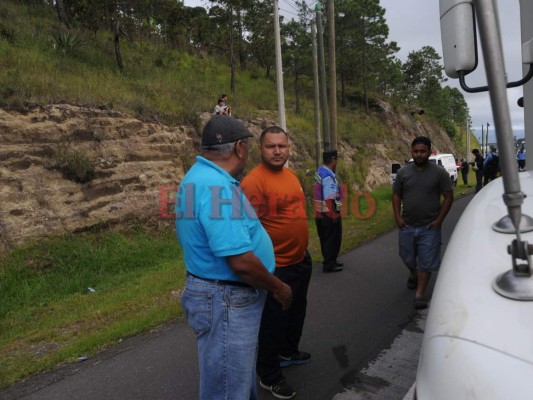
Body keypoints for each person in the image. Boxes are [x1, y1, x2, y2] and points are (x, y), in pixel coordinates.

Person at [175, 116, 293, 400]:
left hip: (216, 292)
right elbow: (240, 261)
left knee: (233, 381)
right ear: (240, 147)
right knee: (228, 390)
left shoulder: (196, 177)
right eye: (249, 147)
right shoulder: (218, 188)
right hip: (227, 299)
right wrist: (279, 287)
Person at [241, 126, 312, 400]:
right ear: (261, 149)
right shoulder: (254, 182)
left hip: (299, 261)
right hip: (276, 268)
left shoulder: (292, 176)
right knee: (272, 323)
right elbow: (246, 231)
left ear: (288, 147)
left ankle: (287, 352)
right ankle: (269, 374)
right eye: (271, 146)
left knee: (296, 312)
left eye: (282, 145)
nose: (277, 151)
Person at [392, 136, 454, 310]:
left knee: (426, 262)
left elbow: (448, 197)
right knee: (407, 257)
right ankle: (413, 274)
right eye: (416, 151)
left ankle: (420, 294)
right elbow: (396, 195)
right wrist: (398, 217)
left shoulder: (439, 173)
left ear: (429, 152)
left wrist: (439, 220)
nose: (419, 155)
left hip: (430, 227)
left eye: (422, 151)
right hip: (407, 225)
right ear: (411, 152)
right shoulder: (403, 172)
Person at [314, 150, 344, 273]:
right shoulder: (328, 176)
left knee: (325, 238)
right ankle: (329, 264)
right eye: (336, 159)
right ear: (333, 160)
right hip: (328, 213)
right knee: (333, 238)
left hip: (319, 213)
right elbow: (329, 197)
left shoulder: (319, 171)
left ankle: (330, 260)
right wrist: (333, 214)